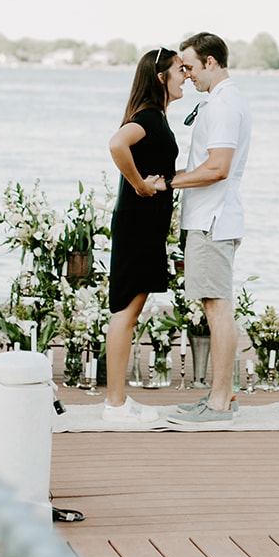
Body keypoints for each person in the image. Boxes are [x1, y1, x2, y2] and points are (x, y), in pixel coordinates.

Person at [168, 32, 252, 427]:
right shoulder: (222, 101)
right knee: (214, 307)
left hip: (213, 221)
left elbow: (218, 168)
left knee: (217, 309)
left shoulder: (223, 105)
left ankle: (219, 402)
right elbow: (209, 163)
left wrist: (168, 183)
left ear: (211, 62)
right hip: (211, 218)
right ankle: (222, 394)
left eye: (190, 66)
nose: (187, 74)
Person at [101, 46, 183, 428]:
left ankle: (118, 401)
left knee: (129, 311)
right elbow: (117, 143)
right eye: (180, 70)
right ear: (161, 77)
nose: (185, 76)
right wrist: (139, 186)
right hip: (137, 223)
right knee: (126, 312)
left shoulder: (158, 118)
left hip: (146, 225)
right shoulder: (148, 116)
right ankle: (114, 405)